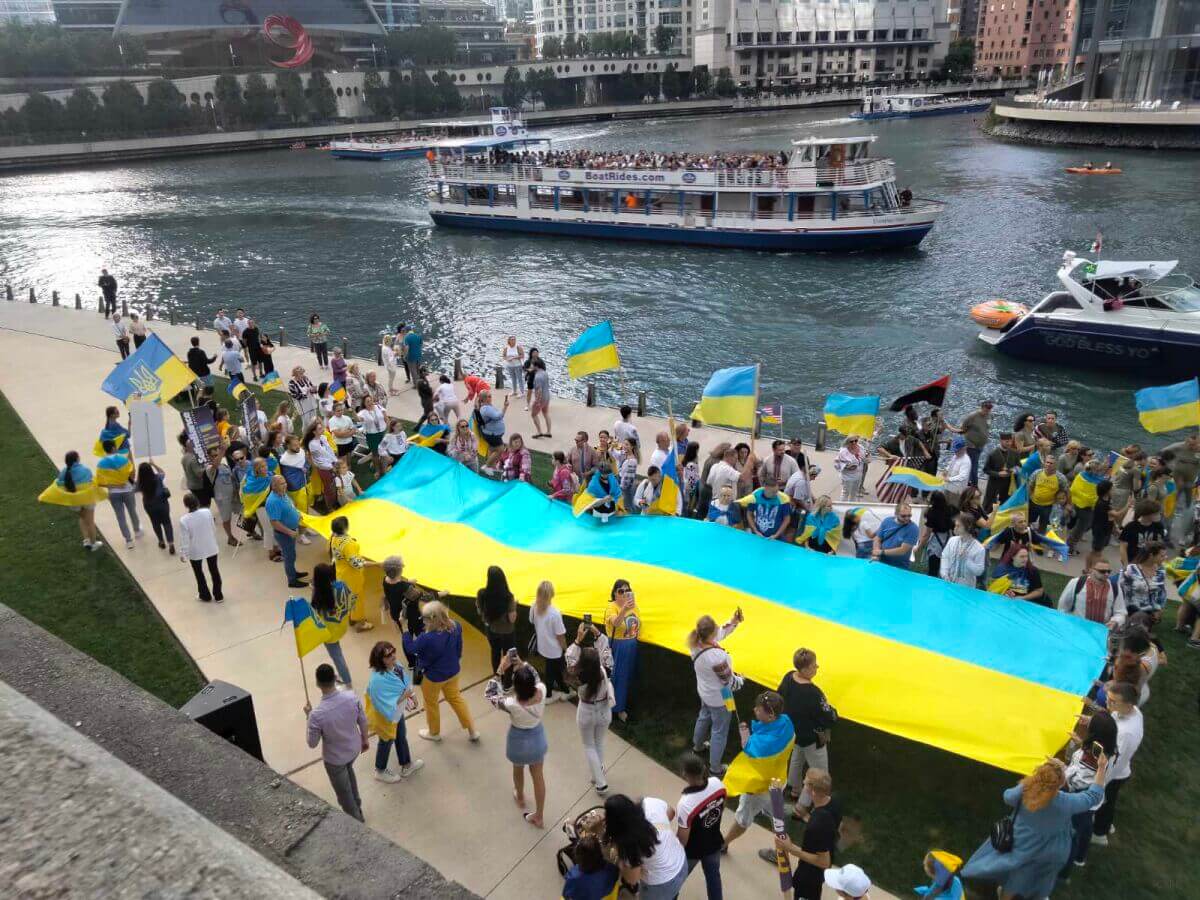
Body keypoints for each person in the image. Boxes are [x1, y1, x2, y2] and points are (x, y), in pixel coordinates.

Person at [961, 755, 1107, 899]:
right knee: (1043, 881)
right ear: (1061, 782)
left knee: (1016, 881)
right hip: (1053, 853)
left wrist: (1030, 781)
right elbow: (1093, 796)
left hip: (1022, 844)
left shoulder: (1026, 790)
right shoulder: (1066, 802)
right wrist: (1101, 767)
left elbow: (1008, 797)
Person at [722, 691, 795, 852]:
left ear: (770, 716)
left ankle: (723, 844)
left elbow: (752, 761)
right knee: (777, 818)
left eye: (759, 709)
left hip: (759, 789)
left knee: (743, 819)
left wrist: (746, 739)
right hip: (778, 781)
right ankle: (782, 850)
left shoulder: (762, 745)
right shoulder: (786, 723)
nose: (755, 710)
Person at [403, 601, 479, 743]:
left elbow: (411, 649)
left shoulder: (426, 638)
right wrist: (456, 659)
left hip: (432, 677)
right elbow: (459, 647)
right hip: (453, 671)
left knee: (431, 703)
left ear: (430, 620)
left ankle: (434, 732)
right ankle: (472, 730)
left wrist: (405, 631)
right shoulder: (456, 626)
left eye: (424, 619)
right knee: (456, 699)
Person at [775, 648, 837, 821]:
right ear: (805, 669)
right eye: (813, 665)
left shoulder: (788, 677)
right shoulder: (813, 693)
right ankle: (801, 808)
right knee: (819, 773)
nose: (817, 667)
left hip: (794, 732)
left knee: (797, 757)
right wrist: (833, 714)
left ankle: (794, 790)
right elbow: (827, 716)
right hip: (812, 737)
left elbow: (779, 697)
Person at [303, 663, 369, 821]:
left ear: (318, 684)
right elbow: (363, 720)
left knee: (344, 795)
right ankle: (358, 805)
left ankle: (356, 820)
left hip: (335, 759)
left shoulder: (317, 715)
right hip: (353, 749)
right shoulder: (352, 697)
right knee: (349, 772)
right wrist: (365, 739)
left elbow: (312, 743)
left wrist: (308, 716)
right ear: (335, 678)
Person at [490, 654, 549, 828]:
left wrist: (500, 669)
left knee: (518, 769)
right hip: (537, 738)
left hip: (518, 741)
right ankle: (539, 815)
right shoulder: (542, 690)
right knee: (538, 776)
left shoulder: (511, 704)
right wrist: (522, 664)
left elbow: (491, 695)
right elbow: (536, 676)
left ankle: (520, 795)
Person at [769, 768, 840, 900]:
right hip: (819, 873)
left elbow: (823, 862)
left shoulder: (818, 824)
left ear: (812, 791)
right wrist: (807, 816)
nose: (802, 782)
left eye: (805, 782)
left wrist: (790, 848)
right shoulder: (833, 804)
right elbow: (829, 831)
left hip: (809, 877)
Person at [688, 610, 744, 777]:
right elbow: (730, 683)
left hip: (705, 692)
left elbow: (720, 633)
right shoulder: (718, 657)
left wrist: (733, 622)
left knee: (703, 716)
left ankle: (697, 747)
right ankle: (715, 768)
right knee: (720, 731)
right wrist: (742, 679)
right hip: (722, 697)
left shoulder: (696, 644)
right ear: (711, 633)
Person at [603, 794, 689, 900]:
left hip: (662, 884)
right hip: (681, 863)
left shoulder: (629, 844)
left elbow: (632, 879)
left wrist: (620, 863)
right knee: (672, 895)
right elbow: (671, 813)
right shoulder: (649, 804)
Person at [1089, 681, 1143, 845]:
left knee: (1104, 802)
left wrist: (1101, 782)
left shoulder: (1127, 733)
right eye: (1108, 698)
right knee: (1108, 802)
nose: (1107, 702)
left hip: (1115, 774)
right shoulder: (1131, 711)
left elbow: (1116, 762)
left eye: (1113, 701)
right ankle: (1106, 825)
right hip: (1120, 769)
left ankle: (1099, 834)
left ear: (1128, 704)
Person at [364, 641, 424, 785]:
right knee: (386, 741)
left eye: (393, 652)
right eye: (388, 655)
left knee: (400, 736)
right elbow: (382, 703)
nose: (393, 656)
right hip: (386, 717)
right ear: (380, 660)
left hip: (397, 713)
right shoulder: (377, 681)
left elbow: (405, 682)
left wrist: (412, 695)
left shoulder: (396, 666)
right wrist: (405, 696)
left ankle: (406, 765)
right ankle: (380, 770)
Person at [676, 752, 726, 900]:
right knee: (713, 878)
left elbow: (683, 839)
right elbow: (722, 806)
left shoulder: (685, 803)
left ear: (685, 774)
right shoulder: (718, 784)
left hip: (693, 851)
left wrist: (675, 852)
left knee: (676, 880)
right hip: (714, 842)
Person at [571, 641, 614, 795]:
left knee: (589, 746)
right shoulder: (605, 671)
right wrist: (598, 635)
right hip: (604, 711)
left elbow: (569, 655)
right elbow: (607, 651)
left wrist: (577, 640)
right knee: (599, 743)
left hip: (586, 711)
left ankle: (601, 783)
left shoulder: (578, 676)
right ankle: (597, 773)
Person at [330, 516, 377, 633]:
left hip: (341, 573)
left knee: (349, 597)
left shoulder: (334, 538)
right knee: (357, 599)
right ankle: (360, 623)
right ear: (346, 527)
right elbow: (357, 563)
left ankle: (351, 617)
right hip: (351, 576)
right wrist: (378, 564)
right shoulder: (348, 544)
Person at [605, 579, 641, 722]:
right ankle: (613, 708)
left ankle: (621, 705)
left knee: (626, 677)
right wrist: (624, 609)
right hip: (617, 647)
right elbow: (616, 623)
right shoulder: (612, 607)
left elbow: (637, 624)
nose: (624, 593)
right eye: (621, 591)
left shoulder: (634, 606)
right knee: (615, 677)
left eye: (627, 590)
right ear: (615, 593)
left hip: (631, 645)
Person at [1059, 554, 1126, 628]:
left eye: (1109, 571)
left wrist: (1115, 621)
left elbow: (1121, 612)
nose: (1106, 574)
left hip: (1100, 632)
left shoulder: (1115, 587)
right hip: (1077, 629)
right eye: (1102, 571)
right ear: (1091, 570)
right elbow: (1063, 607)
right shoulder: (1076, 583)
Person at [530, 580, 571, 701]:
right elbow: (560, 636)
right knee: (551, 671)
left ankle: (564, 688)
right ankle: (548, 694)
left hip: (542, 646)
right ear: (551, 595)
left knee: (554, 668)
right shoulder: (555, 614)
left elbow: (532, 621)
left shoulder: (534, 606)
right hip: (554, 650)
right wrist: (566, 649)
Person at [178, 492, 222, 603]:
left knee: (199, 573)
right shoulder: (207, 512)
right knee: (214, 570)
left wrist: (184, 554)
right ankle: (218, 595)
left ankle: (205, 595)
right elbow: (213, 528)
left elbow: (185, 539)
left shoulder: (184, 520)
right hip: (210, 546)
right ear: (197, 502)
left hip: (196, 551)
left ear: (186, 505)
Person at [266, 474, 308, 588]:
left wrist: (298, 515)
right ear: (274, 486)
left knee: (292, 555)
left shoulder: (283, 494)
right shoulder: (273, 501)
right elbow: (274, 522)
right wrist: (289, 532)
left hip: (291, 530)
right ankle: (292, 581)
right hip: (284, 534)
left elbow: (290, 507)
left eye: (285, 482)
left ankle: (293, 573)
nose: (285, 485)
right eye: (282, 484)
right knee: (289, 556)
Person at [99, 440, 142, 550]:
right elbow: (132, 473)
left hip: (113, 494)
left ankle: (128, 540)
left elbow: (100, 482)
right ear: (113, 448)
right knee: (132, 511)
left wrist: (113, 486)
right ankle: (137, 530)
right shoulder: (123, 459)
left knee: (120, 516)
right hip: (127, 490)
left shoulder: (101, 464)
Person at [476, 565, 518, 673]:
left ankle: (497, 676)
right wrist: (514, 605)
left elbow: (480, 611)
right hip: (507, 632)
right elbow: (512, 619)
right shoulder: (508, 597)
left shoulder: (482, 594)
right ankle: (507, 684)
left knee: (495, 653)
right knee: (508, 656)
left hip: (492, 630)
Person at [562, 835, 621, 900]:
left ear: (578, 857)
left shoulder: (573, 877)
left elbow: (566, 895)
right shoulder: (612, 869)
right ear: (599, 852)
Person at [950, 399, 993, 487]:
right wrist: (968, 442)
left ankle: (969, 481)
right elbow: (963, 428)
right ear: (982, 407)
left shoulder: (990, 416)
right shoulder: (972, 416)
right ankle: (974, 484)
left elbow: (987, 427)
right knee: (973, 464)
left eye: (989, 409)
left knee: (972, 464)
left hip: (980, 445)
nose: (988, 411)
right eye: (986, 408)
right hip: (971, 445)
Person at [135, 461, 174, 554]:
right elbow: (162, 472)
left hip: (149, 505)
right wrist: (153, 464)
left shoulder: (140, 483)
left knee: (155, 523)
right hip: (162, 503)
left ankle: (161, 541)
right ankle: (171, 543)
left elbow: (134, 489)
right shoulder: (158, 478)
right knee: (167, 522)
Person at [939, 513, 986, 588]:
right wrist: (944, 573)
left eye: (958, 526)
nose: (955, 528)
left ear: (968, 527)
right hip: (948, 584)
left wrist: (967, 560)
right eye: (955, 525)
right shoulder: (952, 540)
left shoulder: (979, 548)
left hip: (966, 589)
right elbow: (945, 557)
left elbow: (979, 571)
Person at [915, 491, 955, 578]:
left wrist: (919, 547)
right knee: (946, 570)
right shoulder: (950, 509)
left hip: (936, 543)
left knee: (933, 571)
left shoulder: (932, 513)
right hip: (949, 540)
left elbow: (926, 534)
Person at [872, 501, 919, 569]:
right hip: (881, 563)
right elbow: (877, 539)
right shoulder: (887, 521)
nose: (907, 518)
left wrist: (881, 552)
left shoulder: (913, 529)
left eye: (909, 515)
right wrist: (876, 554)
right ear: (896, 514)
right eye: (903, 516)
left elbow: (903, 550)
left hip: (899, 567)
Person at [1028, 454, 1068, 532]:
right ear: (1044, 463)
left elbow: (1066, 491)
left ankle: (1040, 538)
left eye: (1051, 463)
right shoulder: (1037, 473)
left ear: (1056, 465)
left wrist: (1068, 504)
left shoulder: (1061, 478)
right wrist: (1028, 498)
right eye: (1047, 462)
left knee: (1043, 524)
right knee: (1029, 521)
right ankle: (1029, 535)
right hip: (1033, 503)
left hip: (1048, 506)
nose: (1048, 464)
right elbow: (1030, 486)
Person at [1119, 500, 1166, 566]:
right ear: (1147, 514)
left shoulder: (1158, 526)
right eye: (1157, 514)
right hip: (1133, 561)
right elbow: (1123, 547)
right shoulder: (1130, 527)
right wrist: (1126, 565)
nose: (1159, 516)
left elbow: (1160, 546)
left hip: (1150, 562)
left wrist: (1159, 563)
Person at [982, 431, 1020, 512]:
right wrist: (998, 474)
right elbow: (986, 469)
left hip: (1008, 485)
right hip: (994, 484)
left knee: (1005, 507)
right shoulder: (992, 454)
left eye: (1010, 441)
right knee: (989, 506)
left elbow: (1019, 467)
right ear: (1001, 441)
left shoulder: (1014, 453)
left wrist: (1013, 470)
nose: (1009, 443)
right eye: (1007, 441)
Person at [476, 389, 509, 472]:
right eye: (489, 396)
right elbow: (498, 416)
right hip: (492, 434)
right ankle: (487, 466)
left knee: (492, 448)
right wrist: (505, 406)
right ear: (484, 399)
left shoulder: (486, 406)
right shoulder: (486, 409)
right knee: (500, 449)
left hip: (490, 433)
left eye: (490, 396)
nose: (491, 398)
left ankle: (492, 467)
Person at [834, 436, 865, 500]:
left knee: (854, 493)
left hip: (858, 475)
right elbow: (837, 464)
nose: (854, 443)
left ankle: (851, 506)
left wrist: (867, 458)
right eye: (851, 441)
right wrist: (847, 467)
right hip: (847, 476)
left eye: (856, 440)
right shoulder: (843, 451)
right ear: (847, 442)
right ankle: (843, 507)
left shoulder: (861, 448)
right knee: (845, 492)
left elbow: (864, 459)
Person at [500, 335, 525, 400]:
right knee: (513, 378)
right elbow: (504, 356)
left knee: (519, 379)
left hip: (518, 365)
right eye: (512, 339)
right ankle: (514, 391)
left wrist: (515, 357)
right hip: (510, 366)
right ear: (509, 341)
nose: (513, 340)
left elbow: (522, 355)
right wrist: (507, 359)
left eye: (514, 339)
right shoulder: (506, 348)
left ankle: (522, 392)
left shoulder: (518, 347)